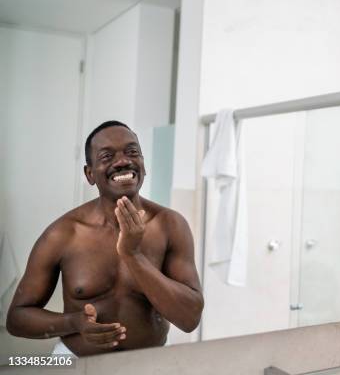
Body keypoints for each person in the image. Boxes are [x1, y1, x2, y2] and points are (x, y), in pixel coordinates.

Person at [7, 121, 204, 356]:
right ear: (90, 174)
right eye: (107, 156)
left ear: (143, 164)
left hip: (151, 362)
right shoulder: (62, 234)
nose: (122, 161)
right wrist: (74, 323)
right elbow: (17, 318)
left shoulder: (170, 225)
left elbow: (190, 318)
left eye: (132, 152)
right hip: (77, 363)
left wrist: (133, 255)